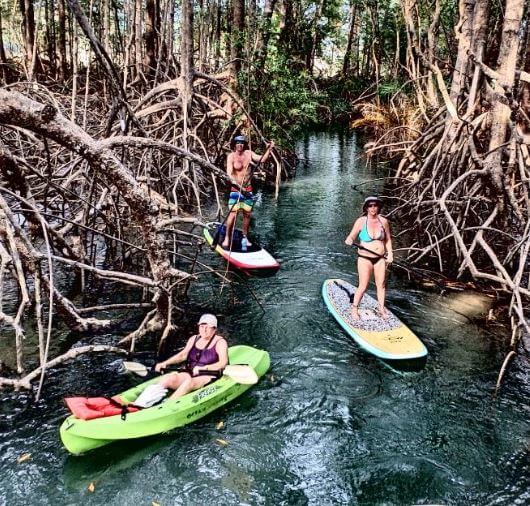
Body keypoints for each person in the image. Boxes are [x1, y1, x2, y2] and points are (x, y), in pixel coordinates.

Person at [154, 314, 228, 400]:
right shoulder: (194, 338)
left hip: (209, 375)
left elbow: (223, 363)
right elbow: (183, 355)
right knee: (169, 378)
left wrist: (204, 368)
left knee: (189, 382)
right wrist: (165, 363)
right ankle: (140, 404)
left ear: (214, 329)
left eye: (207, 327)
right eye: (202, 326)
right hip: (190, 372)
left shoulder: (220, 342)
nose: (204, 330)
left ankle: (167, 405)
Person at [344, 196, 393, 320]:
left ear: (378, 207)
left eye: (375, 205)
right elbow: (351, 237)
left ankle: (381, 309)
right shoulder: (361, 221)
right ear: (366, 207)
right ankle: (354, 308)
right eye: (370, 205)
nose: (373, 208)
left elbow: (388, 239)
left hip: (380, 259)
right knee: (363, 286)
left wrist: (390, 254)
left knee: (381, 285)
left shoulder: (384, 221)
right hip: (364, 259)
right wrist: (349, 240)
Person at [222, 135, 275, 248]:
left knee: (247, 215)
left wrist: (269, 149)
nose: (240, 145)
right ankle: (227, 237)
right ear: (234, 144)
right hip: (236, 190)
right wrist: (236, 184)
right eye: (238, 143)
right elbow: (229, 173)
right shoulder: (231, 156)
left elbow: (263, 159)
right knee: (232, 216)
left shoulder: (249, 154)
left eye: (242, 143)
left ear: (244, 144)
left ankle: (245, 238)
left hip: (248, 190)